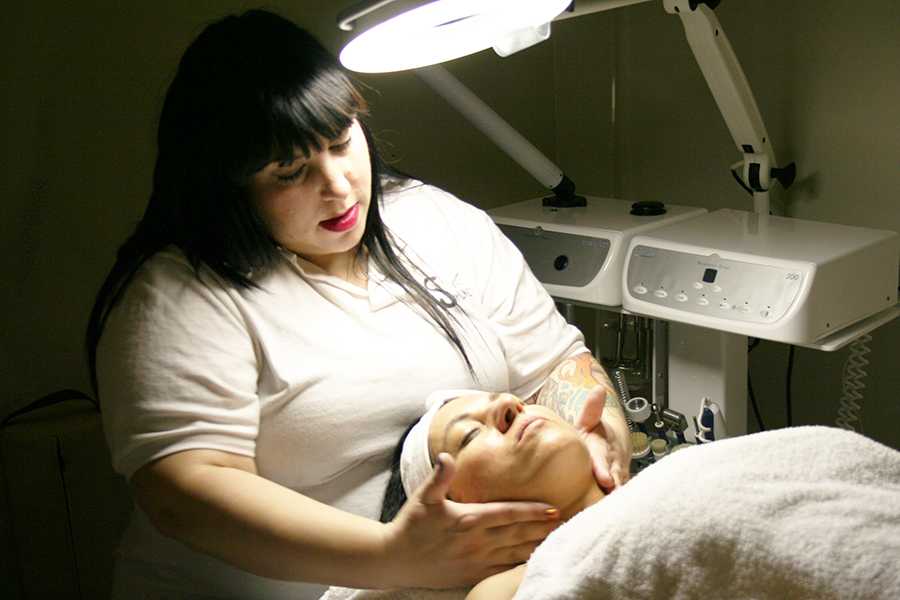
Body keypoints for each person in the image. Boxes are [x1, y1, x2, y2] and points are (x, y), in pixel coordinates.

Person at [84, 9, 631, 600]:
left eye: (343, 142)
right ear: (227, 187)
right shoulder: (179, 295)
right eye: (291, 172)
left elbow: (556, 367)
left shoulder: (432, 221)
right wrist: (395, 556)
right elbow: (187, 491)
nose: (340, 186)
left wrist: (602, 441)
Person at [378, 390, 608, 600]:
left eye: (518, 399)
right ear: (455, 518)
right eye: (470, 435)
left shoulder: (641, 488)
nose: (509, 404)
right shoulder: (505, 592)